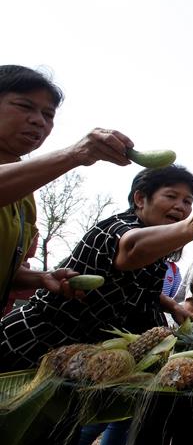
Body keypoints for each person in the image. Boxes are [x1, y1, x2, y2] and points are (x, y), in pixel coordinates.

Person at [0, 165, 193, 445]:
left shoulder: (159, 254)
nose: (181, 207)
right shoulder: (118, 229)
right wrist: (191, 228)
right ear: (140, 198)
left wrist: (171, 307)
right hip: (30, 355)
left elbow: (138, 293)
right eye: (172, 197)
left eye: (188, 201)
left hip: (76, 372)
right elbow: (129, 250)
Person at [0, 65, 132, 314]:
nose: (39, 120)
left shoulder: (25, 191)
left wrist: (41, 278)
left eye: (48, 114)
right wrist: (75, 153)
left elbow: (7, 267)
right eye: (24, 106)